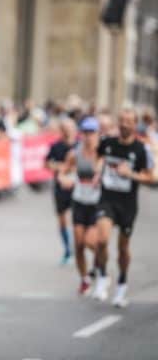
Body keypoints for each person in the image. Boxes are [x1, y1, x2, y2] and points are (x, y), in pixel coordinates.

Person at [92, 108, 153, 307]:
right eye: (122, 121)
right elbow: (99, 157)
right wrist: (98, 171)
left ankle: (122, 284)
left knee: (123, 248)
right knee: (101, 240)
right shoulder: (107, 143)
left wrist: (132, 175)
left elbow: (152, 177)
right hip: (107, 199)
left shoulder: (141, 149)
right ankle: (102, 276)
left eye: (129, 122)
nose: (124, 125)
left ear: (135, 125)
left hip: (127, 204)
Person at [58, 117, 102, 295]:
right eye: (85, 132)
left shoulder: (102, 153)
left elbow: (104, 170)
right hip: (79, 201)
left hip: (97, 203)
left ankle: (99, 264)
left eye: (92, 132)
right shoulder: (74, 153)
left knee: (91, 242)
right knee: (78, 244)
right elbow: (62, 172)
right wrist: (64, 181)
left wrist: (100, 175)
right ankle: (84, 279)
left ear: (98, 134)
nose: (88, 136)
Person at [45, 118, 78, 265]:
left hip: (78, 187)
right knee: (62, 220)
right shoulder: (56, 146)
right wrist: (59, 167)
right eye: (64, 128)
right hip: (60, 187)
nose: (67, 131)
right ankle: (67, 250)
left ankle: (78, 248)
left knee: (78, 221)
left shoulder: (80, 146)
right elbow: (47, 163)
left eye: (70, 128)